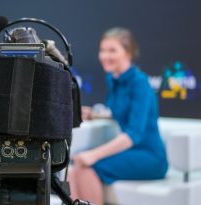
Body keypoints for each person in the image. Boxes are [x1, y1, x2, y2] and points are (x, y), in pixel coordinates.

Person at [68, 28, 168, 205]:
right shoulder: (113, 79)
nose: (105, 56)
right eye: (103, 50)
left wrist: (94, 155)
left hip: (150, 156)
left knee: (86, 166)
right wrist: (93, 114)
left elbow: (133, 135)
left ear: (128, 53)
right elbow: (116, 112)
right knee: (77, 164)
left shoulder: (140, 83)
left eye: (112, 50)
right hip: (130, 151)